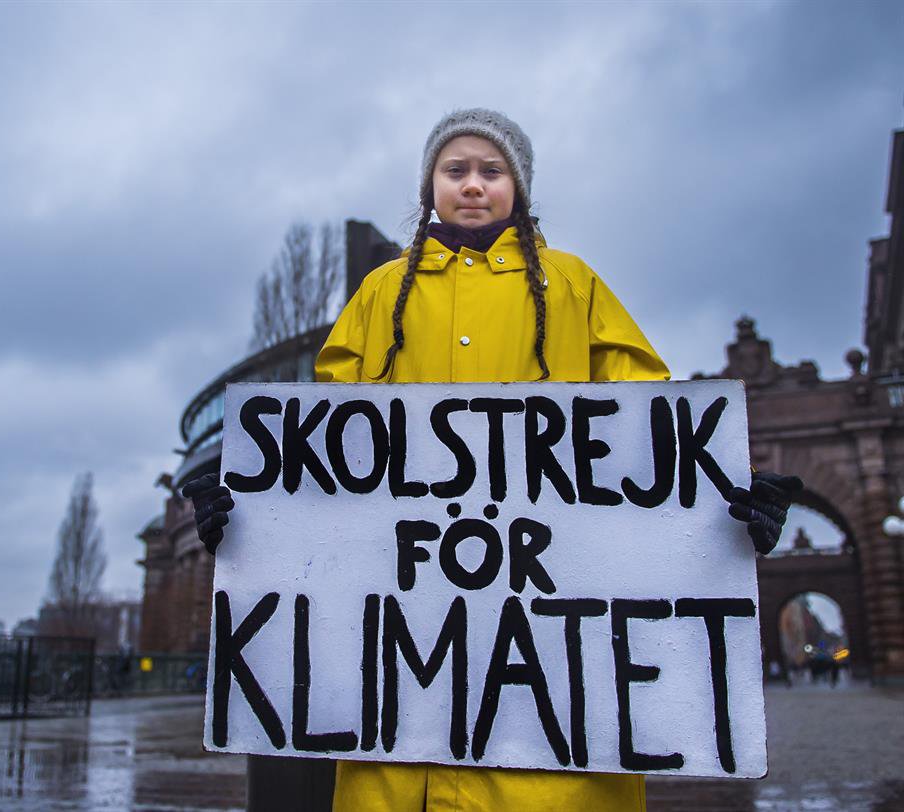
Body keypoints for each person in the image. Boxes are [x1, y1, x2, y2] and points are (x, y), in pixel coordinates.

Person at [184, 108, 802, 811]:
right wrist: (255, 513)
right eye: (455, 170)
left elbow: (645, 436)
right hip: (397, 739)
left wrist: (722, 501)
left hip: (556, 748)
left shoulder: (576, 286)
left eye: (491, 170)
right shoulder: (381, 294)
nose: (473, 185)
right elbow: (329, 457)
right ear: (429, 187)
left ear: (520, 187)